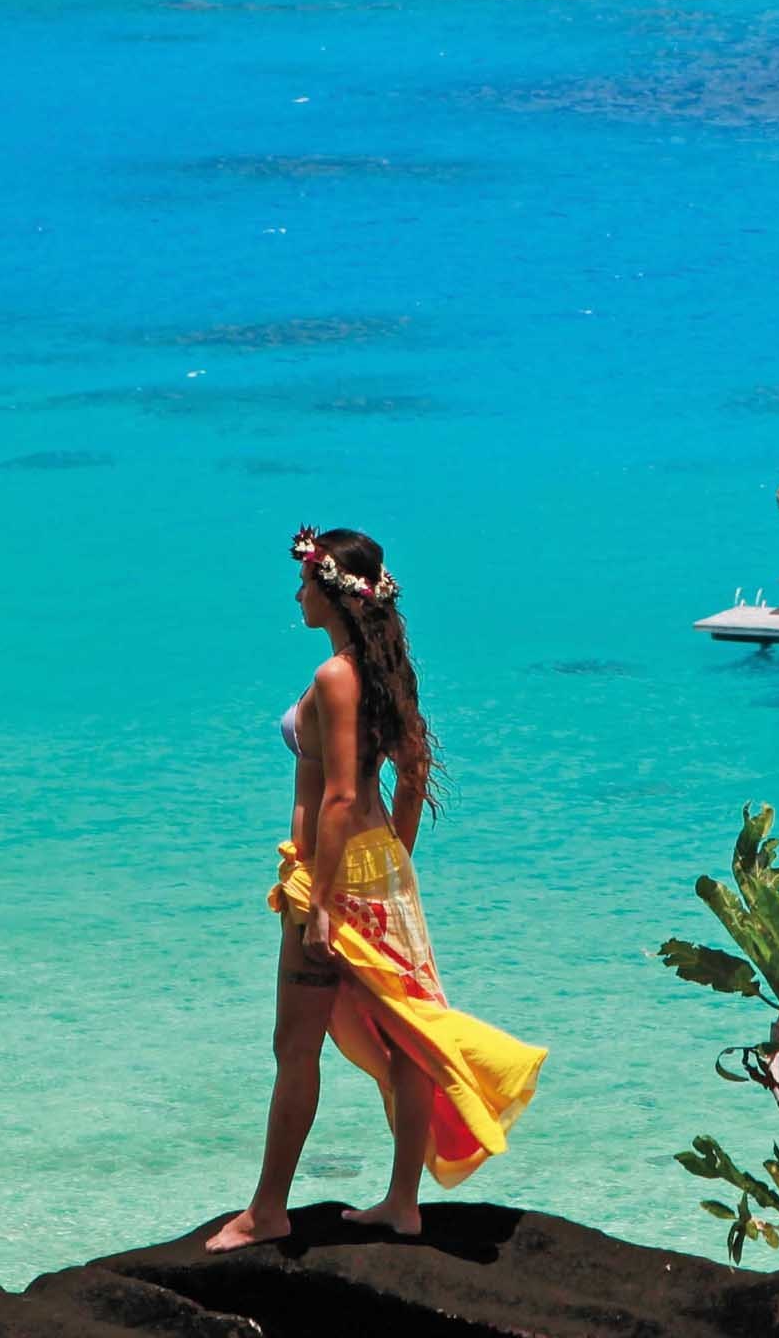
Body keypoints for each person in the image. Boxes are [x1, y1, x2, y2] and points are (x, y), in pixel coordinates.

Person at [205, 527, 543, 1250]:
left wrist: (322, 899)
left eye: (304, 584)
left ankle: (267, 1211)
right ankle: (401, 1202)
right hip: (379, 870)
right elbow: (412, 773)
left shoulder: (335, 679)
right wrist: (394, 863)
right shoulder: (387, 671)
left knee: (295, 1046)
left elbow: (333, 799)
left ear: (332, 593)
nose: (297, 595)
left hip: (326, 878)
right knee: (404, 1041)